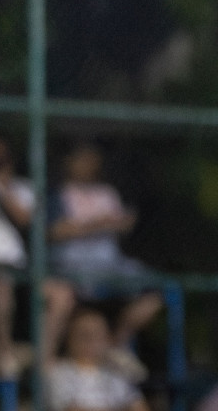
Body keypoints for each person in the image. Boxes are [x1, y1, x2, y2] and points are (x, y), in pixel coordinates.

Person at [0, 136, 75, 377]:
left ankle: (45, 360)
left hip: (15, 265)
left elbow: (23, 219)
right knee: (1, 281)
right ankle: (3, 350)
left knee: (61, 294)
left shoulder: (22, 187)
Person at [49, 141, 162, 379]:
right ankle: (48, 359)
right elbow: (54, 232)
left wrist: (121, 223)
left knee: (154, 292)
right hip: (72, 263)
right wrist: (96, 225)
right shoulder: (59, 195)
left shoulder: (107, 193)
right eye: (82, 159)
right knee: (61, 296)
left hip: (110, 263)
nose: (87, 165)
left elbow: (123, 224)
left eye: (91, 160)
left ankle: (116, 344)